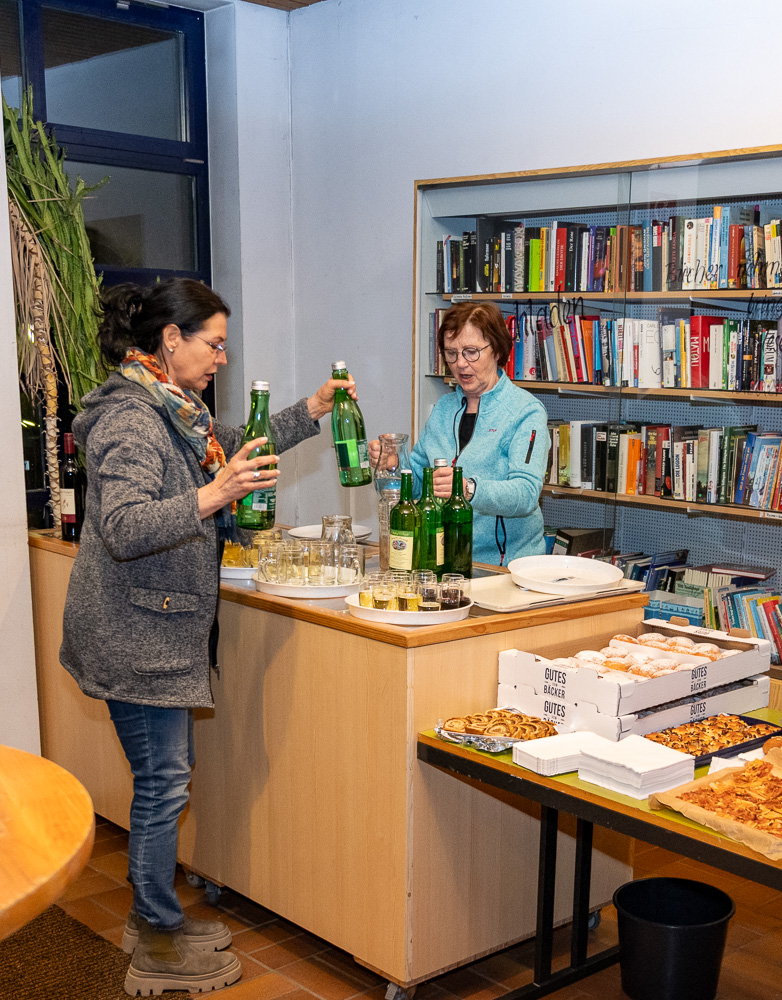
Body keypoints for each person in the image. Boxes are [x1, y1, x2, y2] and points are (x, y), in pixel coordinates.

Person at [59, 279, 355, 996]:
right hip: (135, 635)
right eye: (214, 344)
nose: (222, 357)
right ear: (172, 339)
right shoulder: (130, 418)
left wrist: (314, 409)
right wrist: (216, 494)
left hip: (150, 628)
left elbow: (235, 443)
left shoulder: (174, 407)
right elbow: (122, 526)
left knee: (164, 782)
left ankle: (150, 921)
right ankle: (157, 943)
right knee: (163, 788)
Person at [377, 301, 547, 565]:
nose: (460, 364)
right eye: (451, 353)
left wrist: (468, 489)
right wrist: (394, 465)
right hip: (445, 562)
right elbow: (420, 485)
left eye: (471, 352)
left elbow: (525, 494)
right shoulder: (444, 408)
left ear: (497, 350)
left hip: (505, 568)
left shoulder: (525, 411)